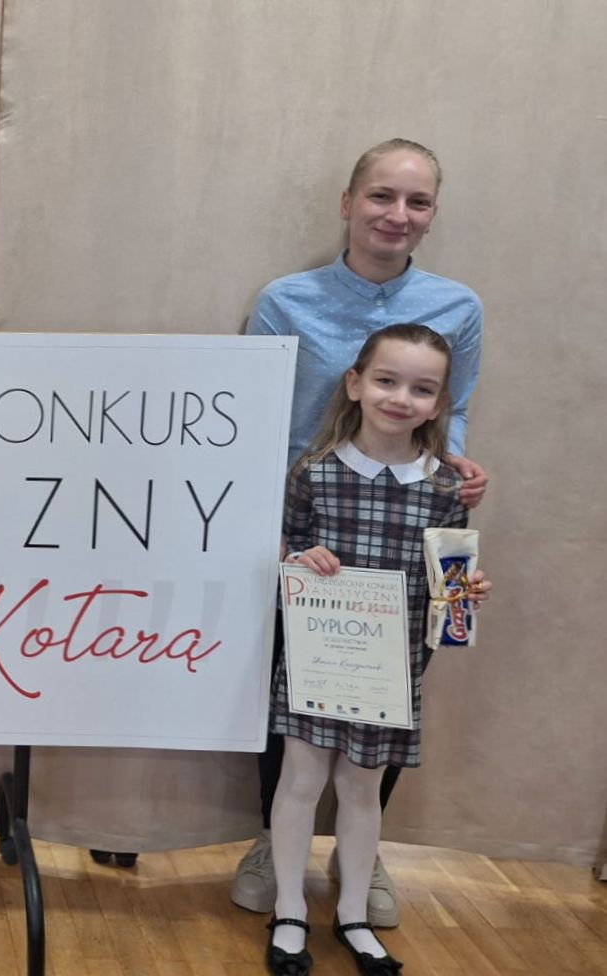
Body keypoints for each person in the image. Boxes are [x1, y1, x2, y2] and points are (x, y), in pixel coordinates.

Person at [234, 139, 488, 927]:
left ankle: (359, 852)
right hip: (310, 528)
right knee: (290, 696)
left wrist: (456, 477)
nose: (396, 215)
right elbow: (249, 415)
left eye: (417, 201)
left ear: (432, 215)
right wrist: (275, 531)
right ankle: (270, 843)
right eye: (381, 196)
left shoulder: (459, 307)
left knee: (386, 698)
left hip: (407, 530)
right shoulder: (284, 300)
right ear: (348, 204)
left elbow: (454, 415)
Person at [262, 323, 492, 975]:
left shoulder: (446, 491)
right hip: (316, 659)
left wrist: (466, 593)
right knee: (300, 779)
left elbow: (448, 589)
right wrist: (298, 561)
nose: (400, 398)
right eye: (387, 380)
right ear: (355, 384)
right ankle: (288, 910)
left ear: (440, 403)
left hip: (389, 669)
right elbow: (280, 551)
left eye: (421, 389)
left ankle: (353, 914)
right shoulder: (313, 473)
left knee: (361, 788)